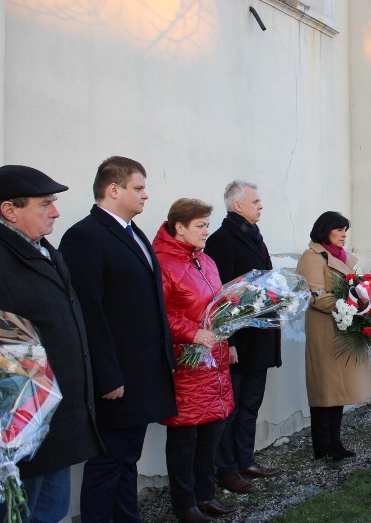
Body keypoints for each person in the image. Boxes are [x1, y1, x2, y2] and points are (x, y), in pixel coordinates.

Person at [60, 156, 177, 522]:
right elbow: (89, 315)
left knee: (129, 458)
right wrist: (108, 376)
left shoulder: (133, 231)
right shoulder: (84, 237)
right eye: (138, 188)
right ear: (113, 190)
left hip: (143, 371)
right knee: (107, 463)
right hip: (116, 377)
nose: (146, 195)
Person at [0, 165, 104, 522]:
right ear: (10, 210)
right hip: (20, 430)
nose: (55, 211)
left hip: (57, 422)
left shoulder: (41, 249)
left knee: (50, 513)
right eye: (45, 204)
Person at [152, 199, 236, 523]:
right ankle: (184, 504)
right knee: (185, 438)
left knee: (211, 432)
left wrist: (228, 340)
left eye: (207, 225)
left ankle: (206, 494)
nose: (206, 231)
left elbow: (217, 307)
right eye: (200, 226)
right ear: (179, 228)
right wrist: (191, 333)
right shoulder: (162, 263)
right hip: (186, 364)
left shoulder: (207, 261)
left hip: (214, 361)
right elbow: (159, 314)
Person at [204, 181, 280, 494]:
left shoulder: (255, 236)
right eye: (255, 201)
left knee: (251, 402)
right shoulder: (221, 240)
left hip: (260, 336)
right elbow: (218, 295)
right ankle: (227, 469)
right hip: (238, 339)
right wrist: (229, 342)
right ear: (238, 206)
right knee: (231, 407)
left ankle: (245, 458)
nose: (261, 205)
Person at [295, 211, 371, 461]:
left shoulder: (346, 258)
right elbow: (314, 294)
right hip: (324, 329)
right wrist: (348, 305)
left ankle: (335, 442)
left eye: (345, 230)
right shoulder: (312, 257)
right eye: (338, 230)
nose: (343, 234)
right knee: (324, 389)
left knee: (339, 390)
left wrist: (363, 303)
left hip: (343, 327)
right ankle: (322, 445)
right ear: (325, 230)